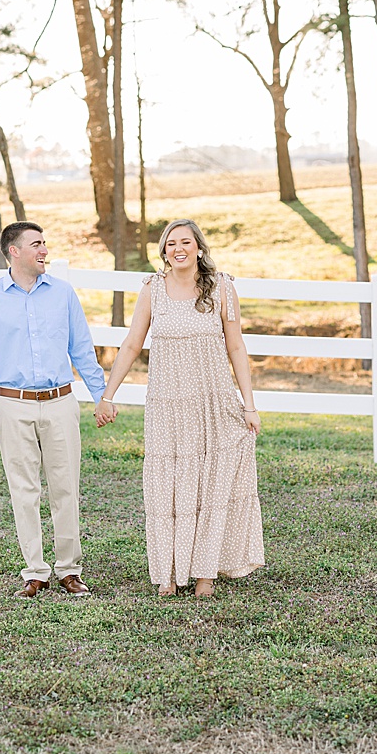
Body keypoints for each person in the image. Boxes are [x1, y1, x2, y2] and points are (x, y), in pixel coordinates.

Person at [97, 219, 264, 597]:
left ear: (199, 247)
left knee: (211, 483)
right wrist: (108, 395)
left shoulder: (223, 287)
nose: (178, 249)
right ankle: (168, 573)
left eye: (185, 242)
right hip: (167, 405)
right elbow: (131, 345)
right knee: (168, 487)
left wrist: (249, 405)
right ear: (164, 251)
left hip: (213, 401)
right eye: (171, 244)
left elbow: (236, 347)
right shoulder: (152, 289)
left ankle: (205, 572)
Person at [0, 220, 110, 599]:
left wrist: (102, 395)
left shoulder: (62, 293)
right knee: (23, 491)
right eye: (36, 244)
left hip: (60, 403)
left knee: (66, 489)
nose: (45, 250)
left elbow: (82, 349)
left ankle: (69, 570)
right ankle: (35, 572)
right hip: (13, 405)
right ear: (14, 251)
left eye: (45, 243)